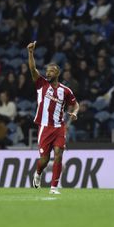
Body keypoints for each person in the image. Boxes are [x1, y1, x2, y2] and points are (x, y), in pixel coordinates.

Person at [27, 42, 79, 195]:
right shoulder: (41, 84)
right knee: (44, 159)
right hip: (44, 127)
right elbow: (32, 69)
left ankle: (54, 188)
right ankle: (38, 173)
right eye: (47, 71)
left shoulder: (66, 90)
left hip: (59, 127)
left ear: (57, 73)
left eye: (51, 71)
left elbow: (76, 104)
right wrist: (30, 53)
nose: (48, 73)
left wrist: (75, 112)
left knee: (58, 154)